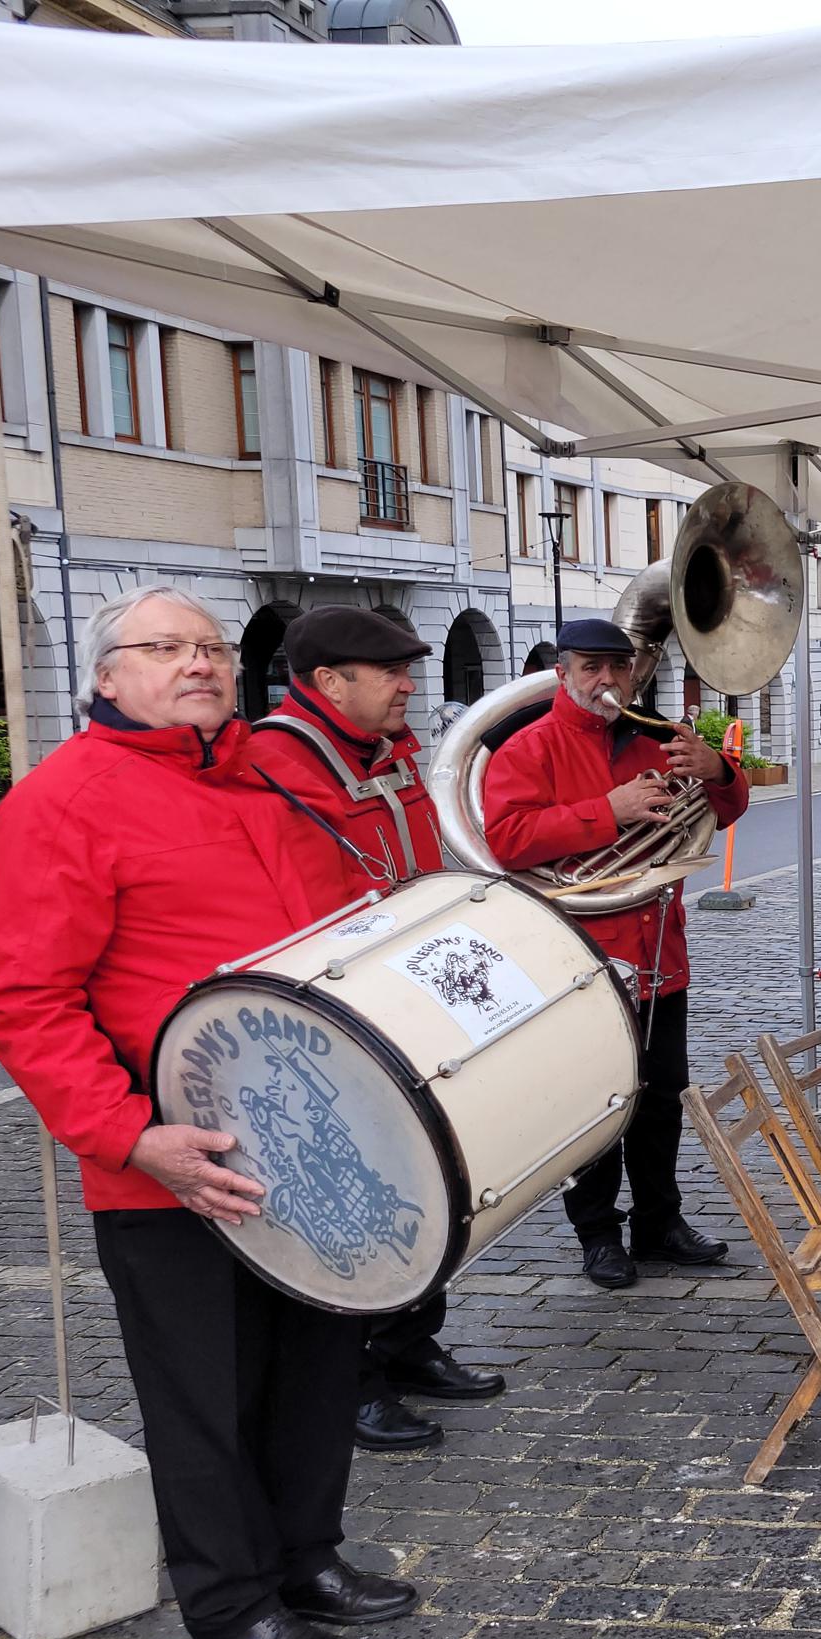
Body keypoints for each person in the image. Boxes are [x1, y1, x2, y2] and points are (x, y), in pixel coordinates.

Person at [0, 586, 415, 1639]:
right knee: (205, 1395)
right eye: (165, 647)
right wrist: (131, 1137)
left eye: (212, 646)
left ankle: (305, 1557)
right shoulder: (58, 802)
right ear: (105, 676)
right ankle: (228, 1601)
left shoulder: (266, 777)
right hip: (173, 1164)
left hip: (307, 1143)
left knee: (316, 1366)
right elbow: (25, 1001)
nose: (199, 663)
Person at [247, 606, 507, 1455]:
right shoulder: (273, 767)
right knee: (345, 1196)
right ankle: (349, 1380)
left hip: (404, 1000)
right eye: (391, 673)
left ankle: (407, 1343)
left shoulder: (385, 753)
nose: (408, 686)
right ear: (328, 681)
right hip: (331, 1025)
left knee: (423, 1181)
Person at [482, 617, 748, 1291]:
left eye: (618, 667)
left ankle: (659, 1222)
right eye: (591, 667)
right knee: (593, 1105)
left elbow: (724, 810)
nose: (607, 680)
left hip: (658, 951)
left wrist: (720, 771)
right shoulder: (528, 745)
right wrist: (609, 809)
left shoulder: (656, 737)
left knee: (661, 1100)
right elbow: (507, 840)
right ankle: (597, 1234)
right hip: (577, 958)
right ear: (563, 672)